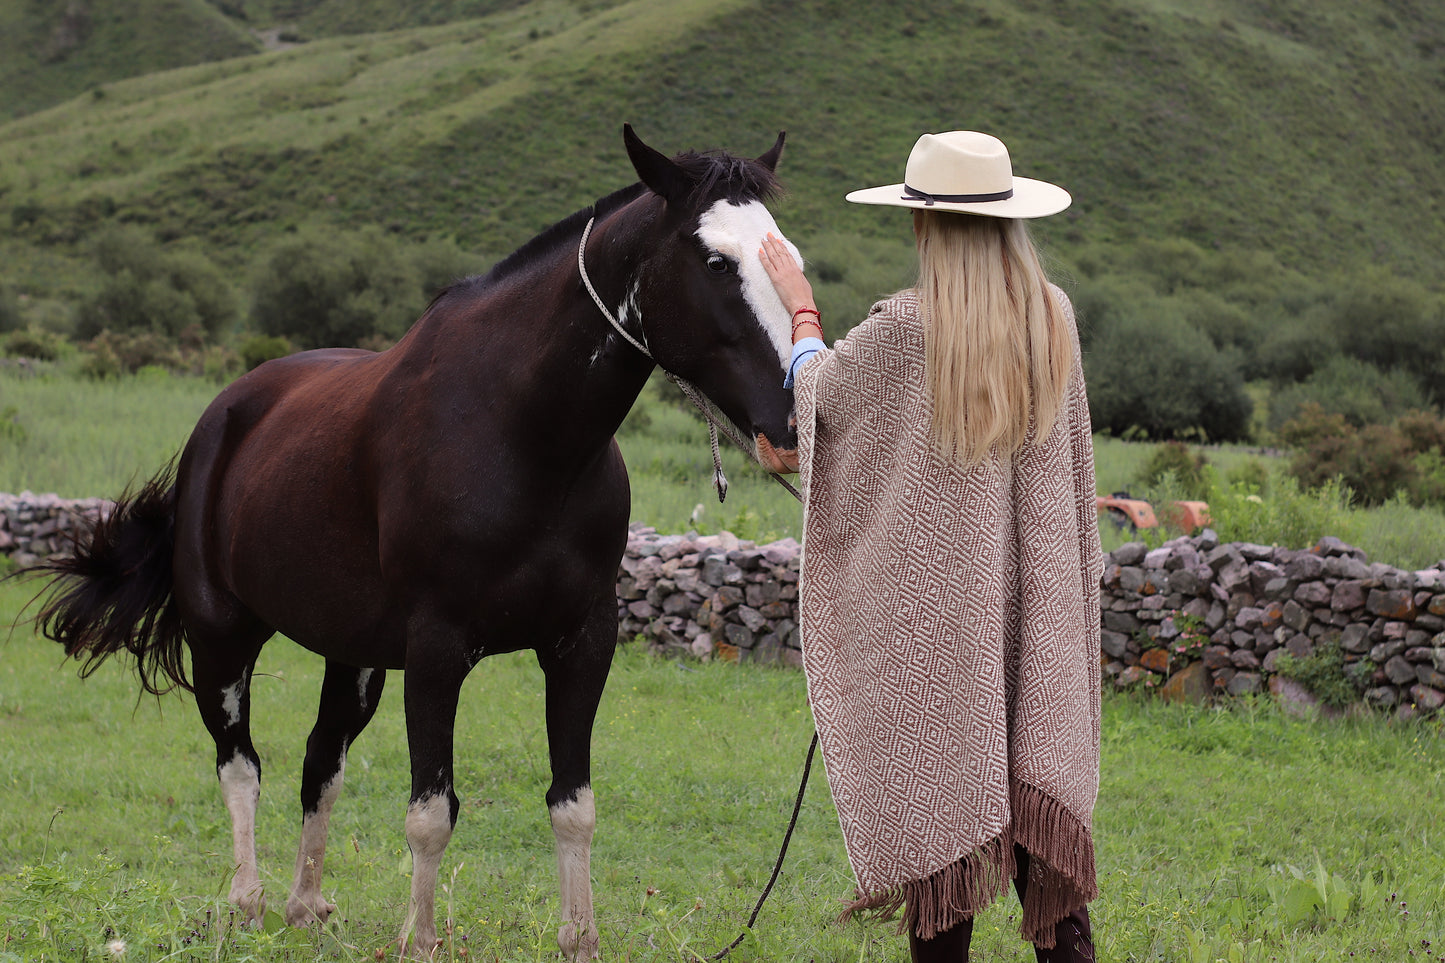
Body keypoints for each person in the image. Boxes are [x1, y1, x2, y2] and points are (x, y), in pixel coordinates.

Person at [757, 131, 1102, 963]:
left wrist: (798, 304)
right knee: (1039, 847)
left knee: (942, 832)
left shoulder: (903, 328)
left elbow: (822, 400)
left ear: (924, 226)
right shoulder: (1052, 314)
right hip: (1037, 615)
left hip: (939, 628)